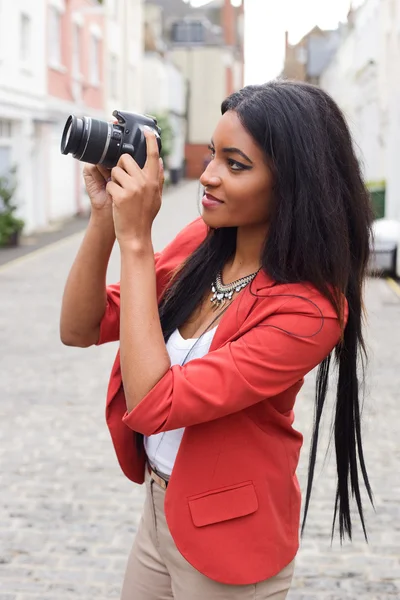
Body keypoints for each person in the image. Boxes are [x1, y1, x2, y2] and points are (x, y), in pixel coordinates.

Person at [60, 80, 374, 600]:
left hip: (228, 541)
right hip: (159, 513)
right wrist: (105, 221)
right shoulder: (201, 245)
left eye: (236, 164)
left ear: (293, 183)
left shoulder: (310, 312)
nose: (207, 176)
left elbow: (155, 404)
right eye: (212, 154)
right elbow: (79, 327)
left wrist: (137, 241)